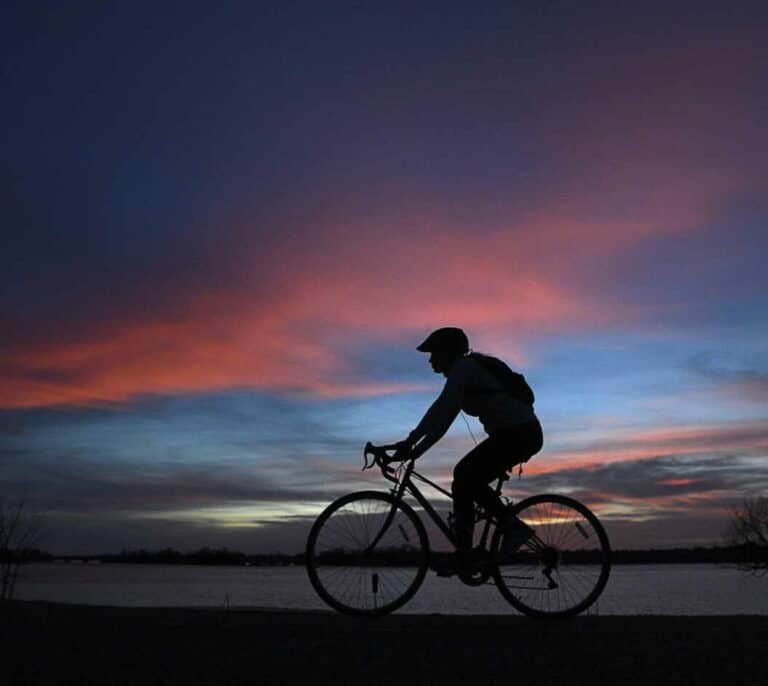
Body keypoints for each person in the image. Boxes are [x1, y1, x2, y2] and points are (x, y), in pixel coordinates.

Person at [393, 327, 543, 577]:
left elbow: (439, 409)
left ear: (448, 352)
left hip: (519, 434)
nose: (430, 360)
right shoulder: (461, 376)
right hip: (514, 434)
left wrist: (409, 443)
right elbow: (441, 424)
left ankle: (501, 537)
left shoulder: (464, 369)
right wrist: (414, 450)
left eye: (434, 353)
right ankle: (474, 551)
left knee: (464, 476)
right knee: (466, 479)